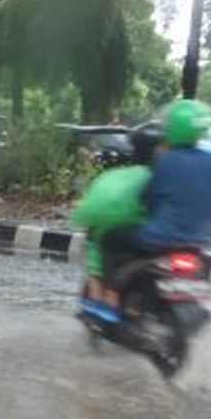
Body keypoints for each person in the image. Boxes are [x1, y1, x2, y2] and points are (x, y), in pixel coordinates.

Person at [99, 100, 211, 322]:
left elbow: (149, 198)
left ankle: (111, 295)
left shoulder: (168, 161)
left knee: (110, 237)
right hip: (198, 244)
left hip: (160, 239)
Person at [71, 127, 160, 323]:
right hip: (164, 236)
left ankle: (101, 304)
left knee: (95, 249)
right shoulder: (163, 176)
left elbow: (92, 210)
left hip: (127, 235)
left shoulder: (116, 177)